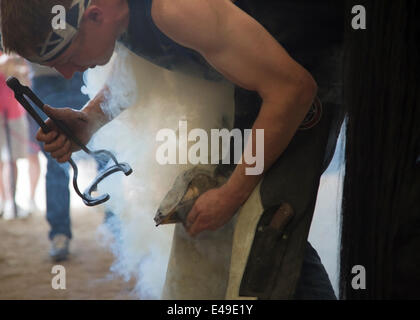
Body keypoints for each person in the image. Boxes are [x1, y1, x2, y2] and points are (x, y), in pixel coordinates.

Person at [1, 0, 344, 299]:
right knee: (237, 234)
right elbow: (147, 53)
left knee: (264, 229)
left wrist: (232, 194)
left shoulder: (175, 8)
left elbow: (293, 90)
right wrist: (88, 119)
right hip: (264, 82)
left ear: (94, 16)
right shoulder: (116, 13)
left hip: (304, 74)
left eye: (68, 56)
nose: (65, 74)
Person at [0, 52, 30, 219]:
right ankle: (3, 200)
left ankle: (12, 201)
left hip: (14, 111)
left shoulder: (16, 49)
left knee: (11, 160)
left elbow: (25, 74)